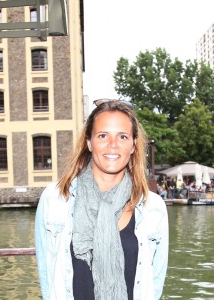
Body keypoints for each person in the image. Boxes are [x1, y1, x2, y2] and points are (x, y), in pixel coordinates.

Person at [35, 99, 169, 300]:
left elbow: (155, 283)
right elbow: (47, 276)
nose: (113, 145)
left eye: (123, 136)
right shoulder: (54, 199)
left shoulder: (153, 207)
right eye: (103, 135)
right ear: (89, 142)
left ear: (133, 145)